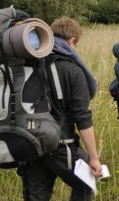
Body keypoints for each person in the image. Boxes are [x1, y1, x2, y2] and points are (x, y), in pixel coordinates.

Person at [21, 17, 101, 201]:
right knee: (87, 180)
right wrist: (94, 158)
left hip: (29, 142)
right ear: (72, 41)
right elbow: (82, 117)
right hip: (59, 144)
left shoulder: (30, 65)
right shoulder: (72, 70)